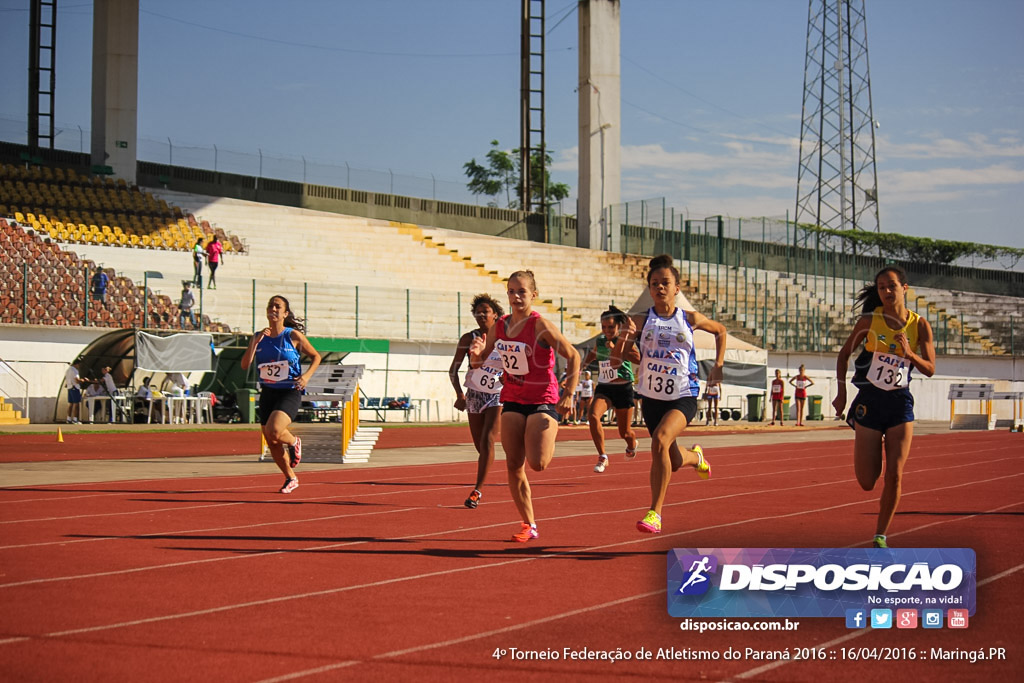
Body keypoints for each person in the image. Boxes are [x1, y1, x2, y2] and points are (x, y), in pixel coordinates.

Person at [614, 255, 726, 534]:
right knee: (673, 459)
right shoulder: (640, 320)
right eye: (655, 284)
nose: (660, 288)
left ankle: (655, 513)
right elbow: (616, 359)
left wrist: (719, 367)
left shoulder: (689, 319)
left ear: (677, 288)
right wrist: (626, 338)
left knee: (660, 442)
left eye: (665, 283)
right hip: (651, 398)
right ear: (650, 290)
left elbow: (721, 331)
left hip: (682, 395)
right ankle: (696, 457)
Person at [469, 270, 580, 542]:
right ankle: (528, 524)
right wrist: (476, 356)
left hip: (542, 399)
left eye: (522, 291)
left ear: (533, 294)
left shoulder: (540, 326)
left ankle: (550, 430)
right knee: (513, 464)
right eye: (511, 291)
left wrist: (568, 394)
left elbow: (574, 355)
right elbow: (482, 361)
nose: (516, 296)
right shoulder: (501, 326)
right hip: (513, 399)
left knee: (538, 463)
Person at [833, 266, 935, 549]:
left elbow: (930, 369)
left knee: (896, 473)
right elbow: (844, 356)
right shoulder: (868, 321)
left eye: (891, 286)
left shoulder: (920, 325)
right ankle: (873, 443)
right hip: (870, 402)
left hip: (900, 404)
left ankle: (880, 535)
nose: (886, 291)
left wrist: (910, 354)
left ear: (905, 288)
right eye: (881, 287)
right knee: (867, 481)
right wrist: (841, 394)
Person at [241, 295, 322, 494]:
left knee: (275, 430)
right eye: (271, 305)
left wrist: (306, 377)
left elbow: (316, 356)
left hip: (289, 391)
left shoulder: (292, 336)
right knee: (271, 439)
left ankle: (294, 441)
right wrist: (255, 342)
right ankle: (290, 478)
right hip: (268, 392)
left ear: (285, 314)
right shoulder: (258, 337)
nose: (273, 309)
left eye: (278, 306)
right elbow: (245, 365)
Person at [448, 293, 505, 510]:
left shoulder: (504, 339)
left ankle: (477, 490)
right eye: (477, 312)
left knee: (489, 439)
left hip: (497, 395)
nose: (481, 315)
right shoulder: (467, 338)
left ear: (496, 315)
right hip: (474, 395)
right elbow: (453, 370)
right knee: (481, 447)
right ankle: (494, 469)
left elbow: (516, 366)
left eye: (485, 312)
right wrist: (459, 394)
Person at [581, 305, 639, 474]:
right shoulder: (600, 341)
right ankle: (602, 456)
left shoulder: (624, 339)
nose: (607, 330)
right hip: (605, 387)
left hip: (623, 388)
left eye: (611, 327)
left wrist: (617, 349)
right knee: (592, 415)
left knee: (625, 432)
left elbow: (638, 358)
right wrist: (583, 365)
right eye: (604, 327)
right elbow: (594, 353)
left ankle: (632, 444)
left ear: (619, 326)